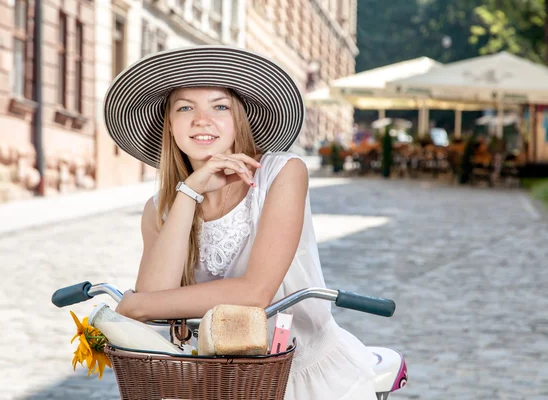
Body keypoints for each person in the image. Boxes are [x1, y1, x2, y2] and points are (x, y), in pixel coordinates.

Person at [105, 46, 377, 399]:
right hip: (219, 378)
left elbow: (255, 293)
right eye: (185, 107)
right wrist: (189, 193)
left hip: (298, 370)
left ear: (239, 120)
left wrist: (135, 306)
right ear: (169, 127)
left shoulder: (282, 174)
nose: (202, 119)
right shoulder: (159, 209)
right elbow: (158, 297)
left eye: (220, 107)